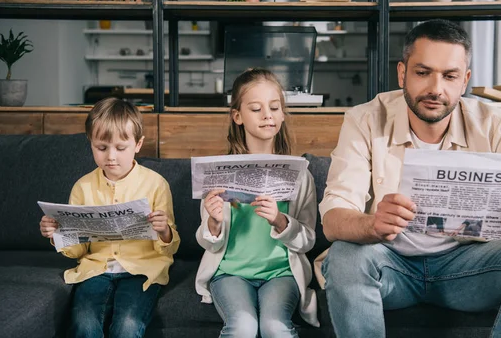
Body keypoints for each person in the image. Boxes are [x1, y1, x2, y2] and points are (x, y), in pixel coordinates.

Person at [318, 19, 501, 338]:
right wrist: (371, 225)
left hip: (471, 268)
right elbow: (334, 217)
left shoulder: (492, 122)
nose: (436, 89)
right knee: (344, 256)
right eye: (422, 73)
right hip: (392, 265)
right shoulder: (365, 120)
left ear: (464, 80)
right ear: (402, 73)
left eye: (449, 76)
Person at [39, 97, 180, 338]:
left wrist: (163, 230)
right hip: (95, 269)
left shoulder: (156, 184)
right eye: (101, 148)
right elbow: (78, 251)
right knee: (83, 322)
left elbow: (169, 249)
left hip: (143, 270)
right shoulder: (82, 187)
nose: (111, 157)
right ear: (90, 143)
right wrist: (57, 235)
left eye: (120, 148)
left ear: (138, 144)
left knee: (127, 324)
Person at [195, 67, 319, 337]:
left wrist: (280, 220)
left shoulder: (300, 175)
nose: (267, 115)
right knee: (243, 326)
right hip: (230, 273)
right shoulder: (219, 172)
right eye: (256, 108)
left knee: (275, 327)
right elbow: (207, 242)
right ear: (237, 116)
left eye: (274, 107)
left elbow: (308, 240)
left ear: (282, 114)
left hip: (281, 273)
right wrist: (214, 222)